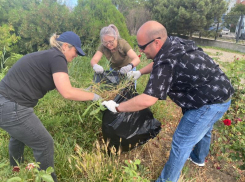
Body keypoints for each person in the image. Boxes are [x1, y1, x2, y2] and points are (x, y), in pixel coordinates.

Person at [102, 21, 234, 182]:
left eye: (142, 47)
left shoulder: (166, 62)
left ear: (156, 41)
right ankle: (198, 158)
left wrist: (117, 107)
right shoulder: (172, 42)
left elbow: (147, 99)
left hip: (209, 102)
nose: (140, 51)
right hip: (215, 90)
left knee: (181, 141)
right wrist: (139, 73)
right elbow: (159, 62)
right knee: (204, 127)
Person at [0, 31, 101, 182]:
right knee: (44, 143)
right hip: (12, 105)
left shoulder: (50, 56)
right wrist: (95, 97)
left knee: (18, 135)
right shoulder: (57, 57)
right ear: (66, 46)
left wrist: (86, 92)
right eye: (76, 51)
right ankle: (48, 179)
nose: (76, 56)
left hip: (6, 103)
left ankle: (16, 169)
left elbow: (66, 87)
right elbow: (67, 93)